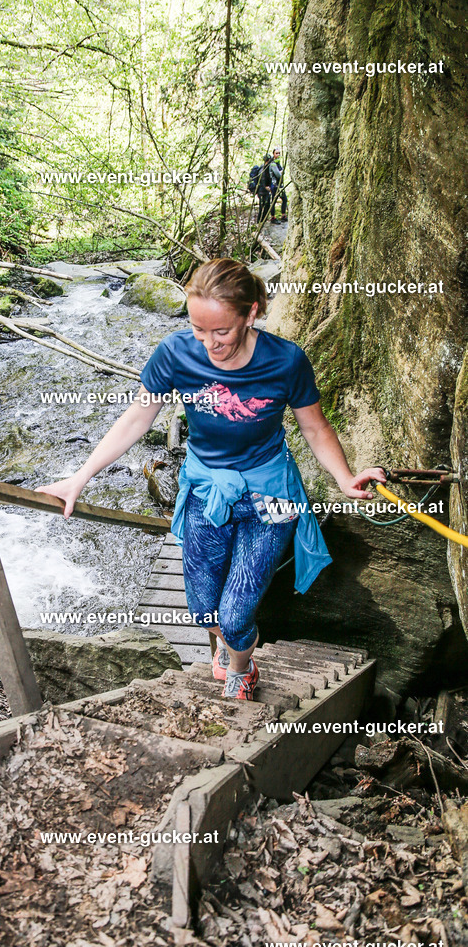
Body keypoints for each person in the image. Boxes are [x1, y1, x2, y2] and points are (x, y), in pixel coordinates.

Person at [36, 259, 386, 700]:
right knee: (204, 610)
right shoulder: (175, 353)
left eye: (220, 331)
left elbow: (314, 427)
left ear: (252, 313)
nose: (208, 343)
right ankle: (227, 645)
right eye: (198, 329)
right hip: (205, 489)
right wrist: (80, 477)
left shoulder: (286, 360)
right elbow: (137, 417)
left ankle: (243, 666)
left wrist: (344, 478)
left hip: (270, 495)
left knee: (236, 615)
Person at [270, 147, 288, 223]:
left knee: (284, 199)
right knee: (274, 201)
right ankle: (273, 217)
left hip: (279, 185)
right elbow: (278, 175)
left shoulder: (278, 163)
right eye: (276, 153)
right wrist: (281, 171)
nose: (278, 154)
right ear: (273, 154)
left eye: (279, 153)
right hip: (275, 185)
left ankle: (283, 215)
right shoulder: (273, 163)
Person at [257, 154, 273, 226]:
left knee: (266, 206)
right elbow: (262, 179)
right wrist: (265, 187)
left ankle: (262, 221)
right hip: (262, 191)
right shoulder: (263, 169)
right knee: (262, 206)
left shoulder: (265, 168)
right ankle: (259, 222)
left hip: (263, 190)